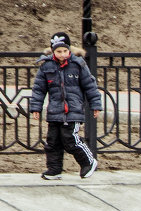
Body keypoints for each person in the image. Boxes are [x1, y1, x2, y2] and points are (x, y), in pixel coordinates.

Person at [29, 31, 102, 180]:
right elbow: (38, 89)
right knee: (53, 141)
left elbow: (90, 86)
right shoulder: (46, 66)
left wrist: (95, 105)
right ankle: (54, 169)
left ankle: (88, 162)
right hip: (55, 111)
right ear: (53, 51)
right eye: (58, 51)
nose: (62, 54)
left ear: (69, 50)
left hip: (73, 110)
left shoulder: (78, 64)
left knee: (71, 139)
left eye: (64, 51)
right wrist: (36, 108)